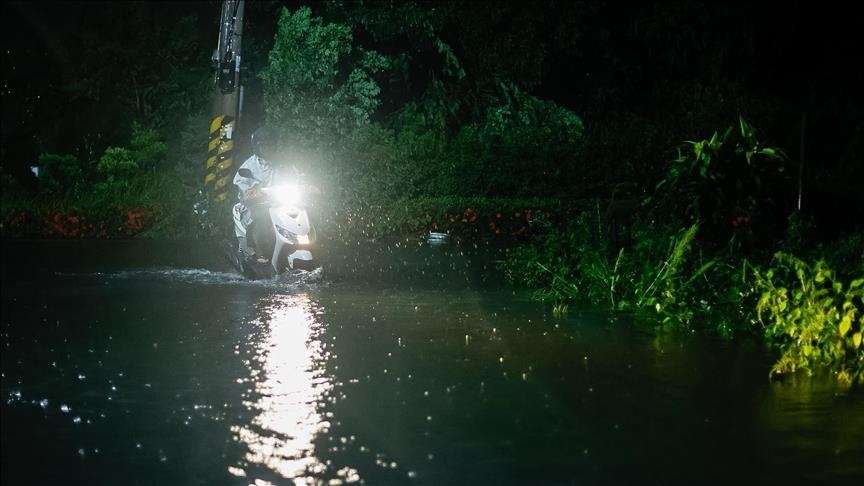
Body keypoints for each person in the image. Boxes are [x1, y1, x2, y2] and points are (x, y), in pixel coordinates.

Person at [232, 127, 276, 262]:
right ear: (257, 146)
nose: (267, 147)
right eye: (263, 144)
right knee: (262, 218)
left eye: (270, 144)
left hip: (280, 203)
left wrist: (307, 185)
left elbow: (295, 175)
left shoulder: (281, 162)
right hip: (257, 205)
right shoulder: (249, 165)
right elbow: (240, 183)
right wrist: (251, 191)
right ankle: (260, 253)